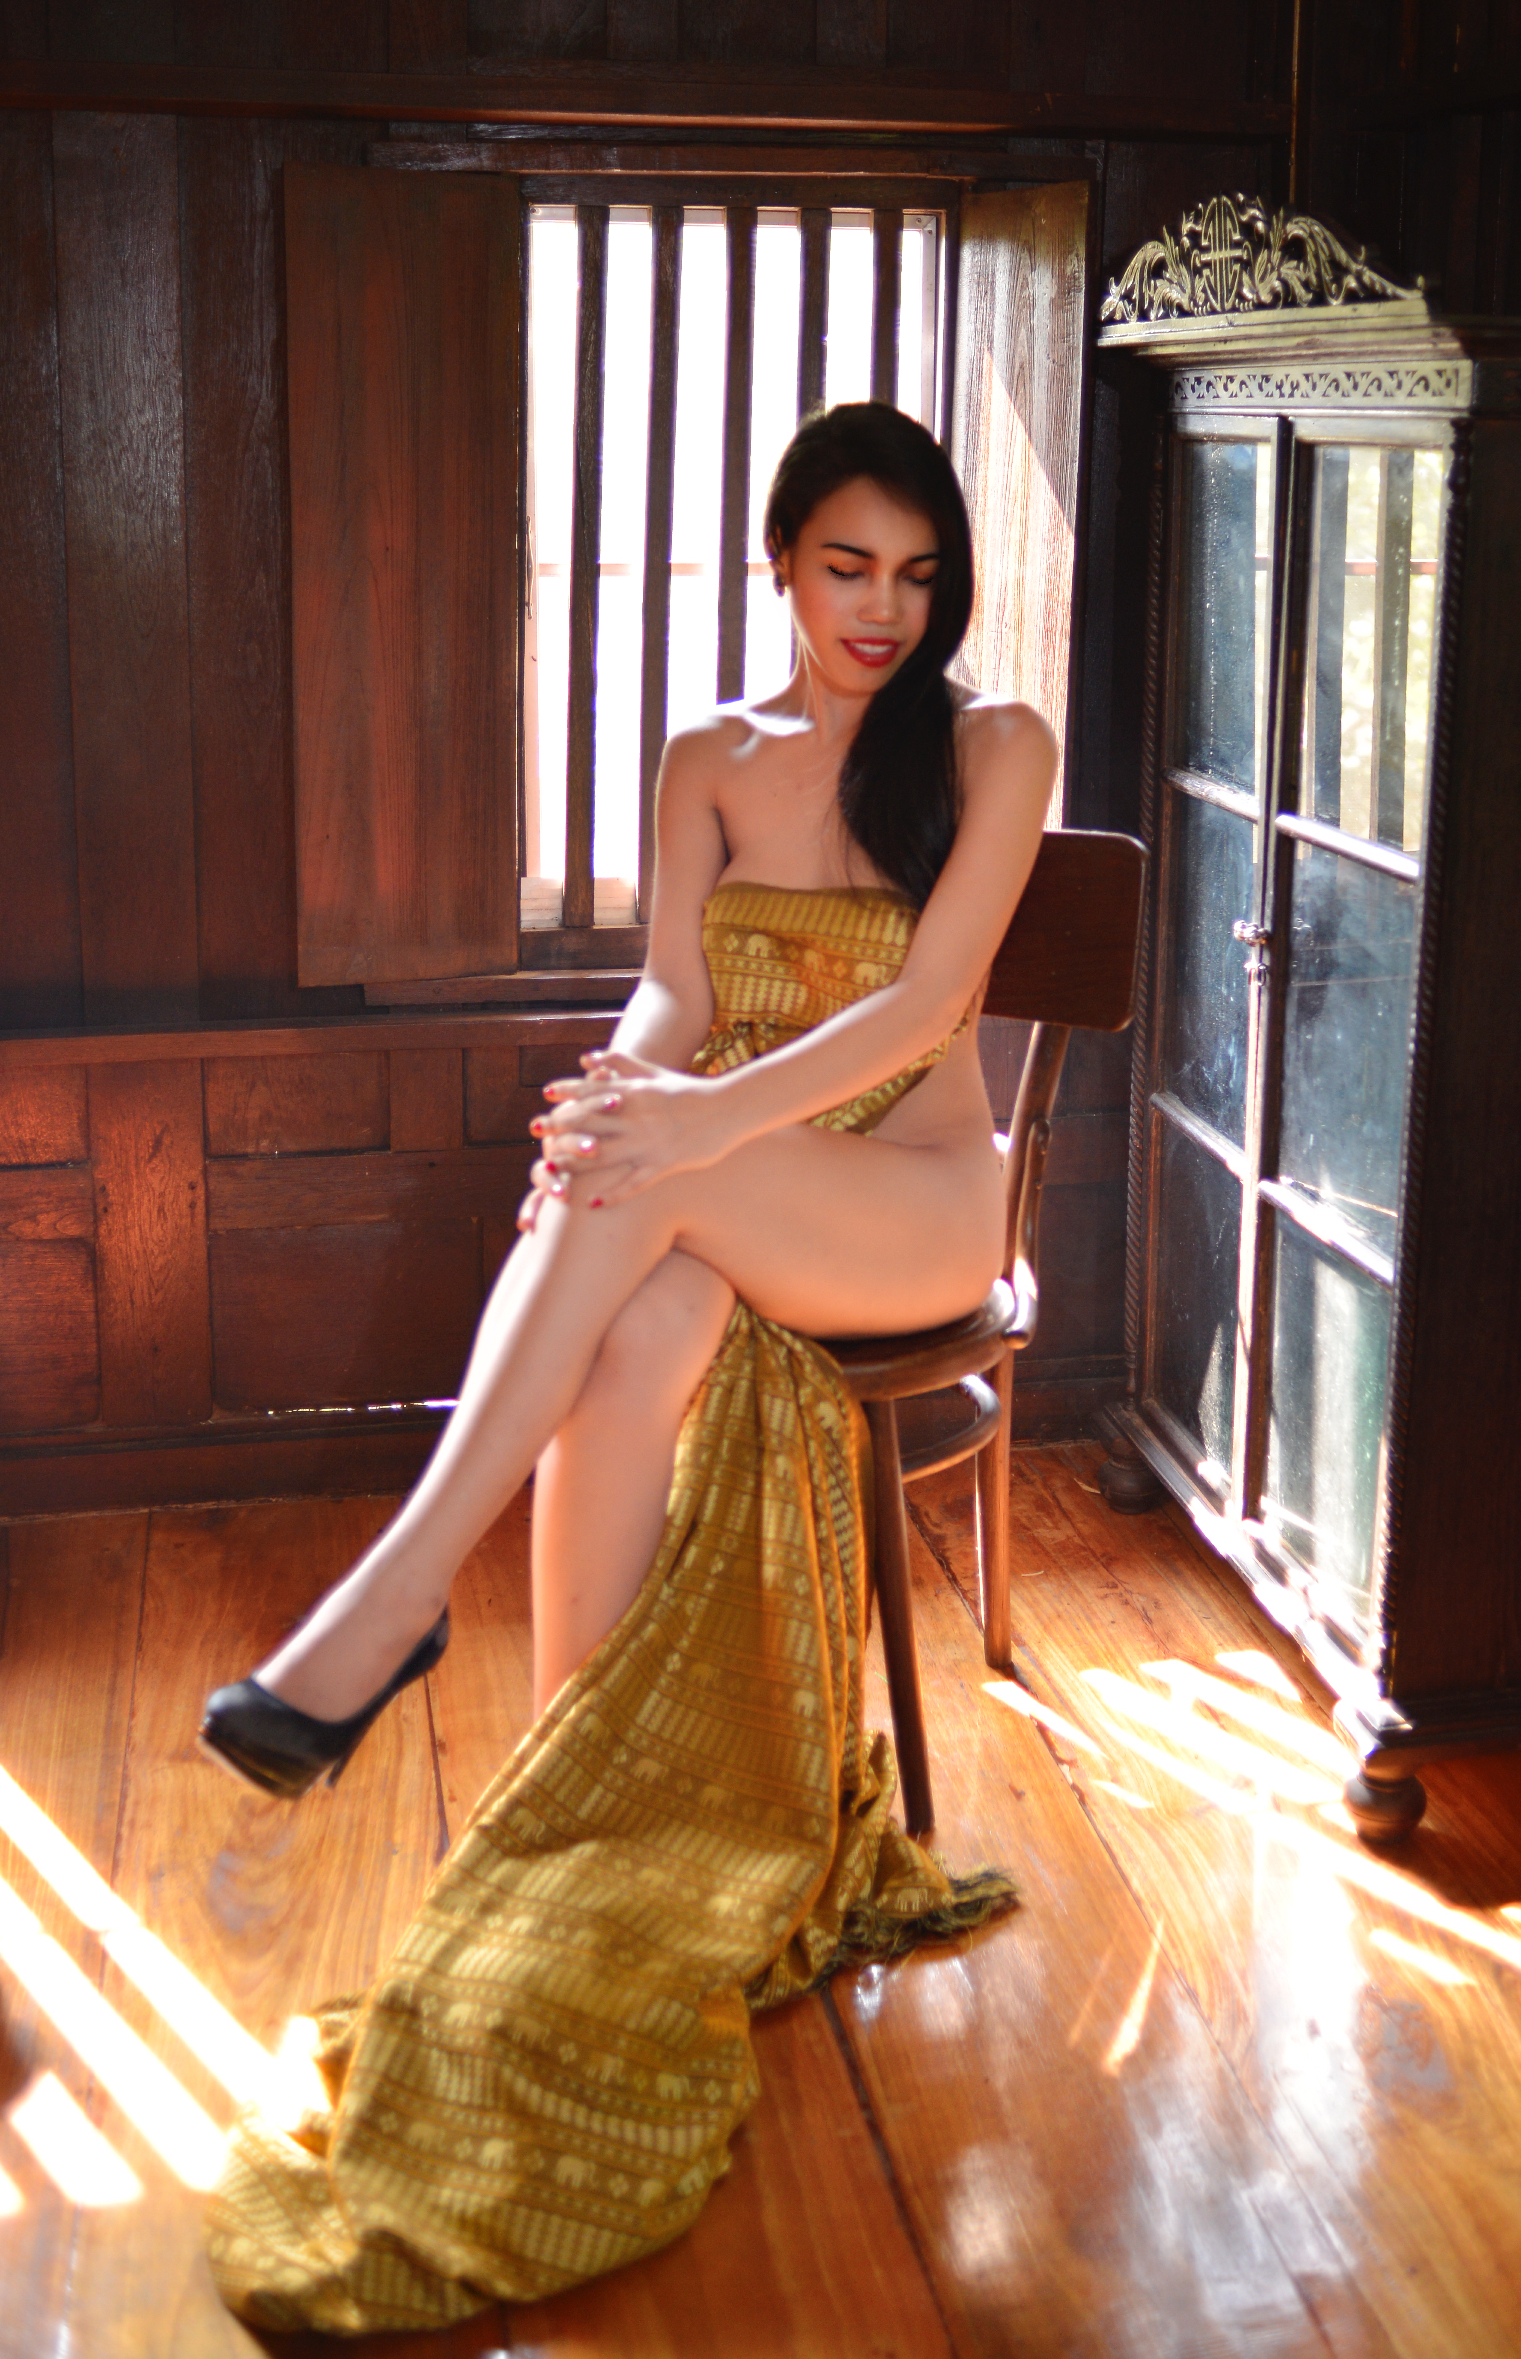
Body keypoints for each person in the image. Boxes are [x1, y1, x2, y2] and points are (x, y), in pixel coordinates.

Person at [198, 402, 1057, 2334]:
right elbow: (675, 983)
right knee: (634, 1298)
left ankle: (396, 1595)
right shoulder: (708, 757)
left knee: (635, 1180)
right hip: (736, 1174)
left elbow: (929, 1007)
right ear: (781, 562)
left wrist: (679, 1132)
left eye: (918, 576)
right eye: (846, 567)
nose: (883, 610)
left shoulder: (996, 745)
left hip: (919, 1198)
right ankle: (563, 1815)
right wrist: (624, 1090)